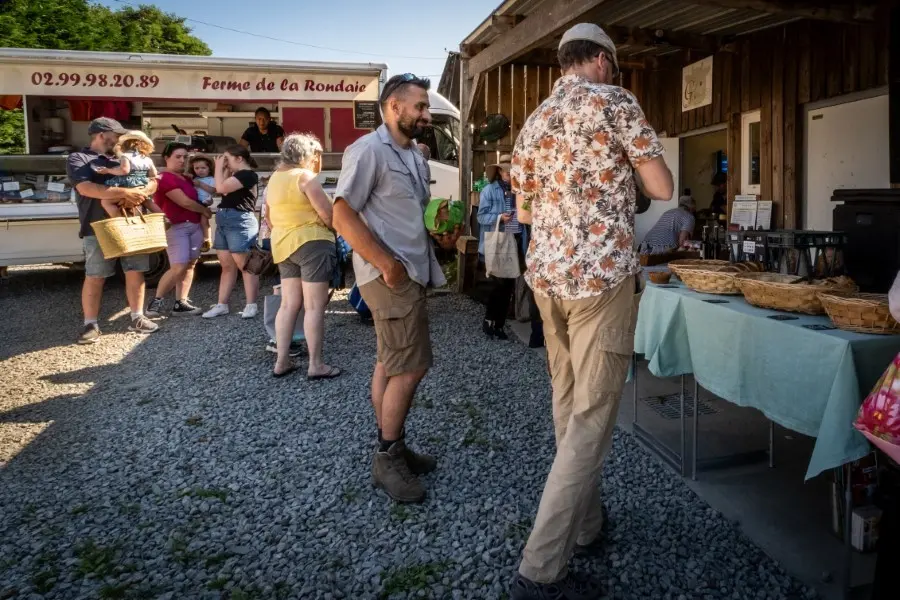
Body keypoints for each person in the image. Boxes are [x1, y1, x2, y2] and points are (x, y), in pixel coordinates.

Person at [510, 24, 673, 599]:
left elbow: (525, 214)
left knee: (568, 404)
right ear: (602, 61)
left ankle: (586, 525)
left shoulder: (533, 122)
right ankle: (540, 568)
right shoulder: (615, 102)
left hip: (548, 280)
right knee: (592, 417)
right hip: (599, 277)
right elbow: (664, 186)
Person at [332, 73, 459, 504]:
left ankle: (395, 446)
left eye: (426, 107)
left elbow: (410, 216)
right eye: (420, 107)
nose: (426, 115)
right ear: (392, 108)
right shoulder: (369, 150)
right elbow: (342, 216)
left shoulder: (413, 157)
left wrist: (440, 238)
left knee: (391, 361)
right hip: (390, 276)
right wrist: (388, 266)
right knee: (411, 367)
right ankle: (387, 459)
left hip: (411, 271)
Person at [67, 117, 161, 344]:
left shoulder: (125, 155)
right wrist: (124, 193)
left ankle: (137, 317)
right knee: (96, 275)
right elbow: (86, 188)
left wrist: (144, 190)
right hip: (98, 226)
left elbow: (154, 180)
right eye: (116, 134)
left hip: (134, 222)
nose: (120, 138)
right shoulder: (79, 158)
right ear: (101, 135)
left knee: (136, 270)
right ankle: (90, 324)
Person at [267, 133, 342, 380]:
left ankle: (282, 361)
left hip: (283, 245)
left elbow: (267, 216)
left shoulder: (274, 179)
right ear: (307, 155)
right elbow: (327, 213)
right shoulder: (305, 177)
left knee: (288, 305)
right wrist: (338, 232)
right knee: (314, 307)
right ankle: (316, 364)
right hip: (312, 243)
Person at [145, 143, 212, 318]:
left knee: (190, 264)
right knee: (178, 265)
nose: (182, 160)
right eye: (178, 156)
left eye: (185, 157)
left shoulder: (187, 179)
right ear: (166, 158)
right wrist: (204, 210)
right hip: (176, 227)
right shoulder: (164, 178)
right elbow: (185, 202)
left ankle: (181, 302)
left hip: (195, 225)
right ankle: (156, 301)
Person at [202, 145, 261, 319]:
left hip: (239, 220)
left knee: (245, 265)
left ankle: (251, 304)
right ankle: (222, 304)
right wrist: (225, 170)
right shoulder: (236, 175)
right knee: (226, 265)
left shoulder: (248, 175)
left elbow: (220, 188)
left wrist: (219, 167)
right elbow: (220, 186)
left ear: (239, 158)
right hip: (225, 219)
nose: (224, 162)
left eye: (227, 158)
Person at [477, 154, 521, 340]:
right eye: (506, 170)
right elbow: (481, 217)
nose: (509, 174)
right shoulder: (489, 190)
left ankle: (500, 324)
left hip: (514, 240)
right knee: (498, 285)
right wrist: (499, 217)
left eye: (512, 171)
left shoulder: (519, 191)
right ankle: (489, 320)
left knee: (508, 285)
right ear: (500, 171)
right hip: (496, 242)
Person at [94, 130, 163, 217]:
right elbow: (153, 174)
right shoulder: (147, 159)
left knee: (106, 202)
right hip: (143, 185)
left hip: (128, 186)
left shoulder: (126, 156)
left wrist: (108, 170)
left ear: (125, 144)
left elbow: (124, 170)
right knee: (147, 201)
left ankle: (119, 220)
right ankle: (162, 217)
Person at [187, 154, 216, 250]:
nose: (200, 170)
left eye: (203, 168)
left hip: (203, 202)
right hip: (194, 201)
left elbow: (212, 190)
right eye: (197, 168)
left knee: (204, 221)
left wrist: (200, 184)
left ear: (209, 168)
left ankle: (207, 239)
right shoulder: (195, 179)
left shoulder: (211, 179)